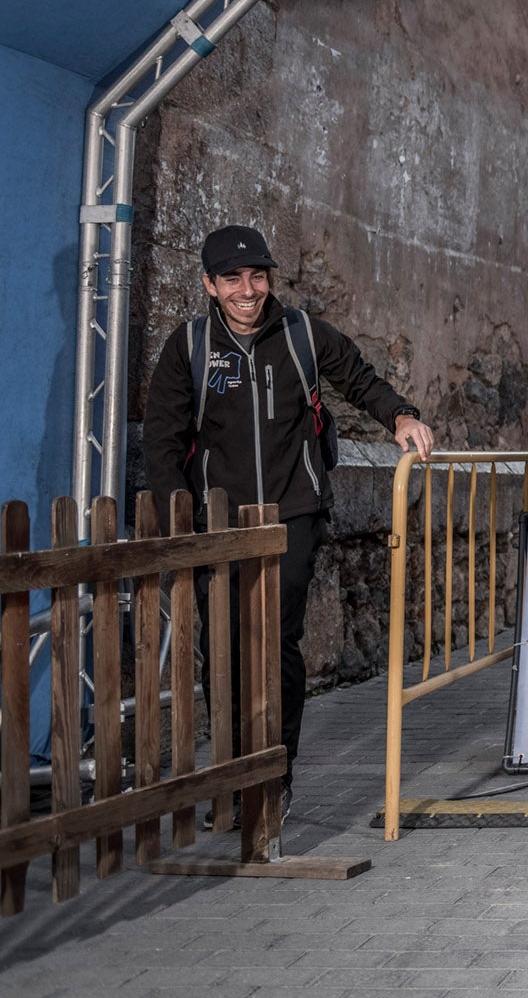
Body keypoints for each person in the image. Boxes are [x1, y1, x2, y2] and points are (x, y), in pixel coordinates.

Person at [143, 226, 434, 819]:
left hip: (293, 511)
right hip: (215, 520)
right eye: (232, 279)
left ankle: (273, 776)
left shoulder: (302, 334)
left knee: (276, 644)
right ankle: (230, 776)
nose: (247, 290)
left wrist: (400, 416)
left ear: (269, 279)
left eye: (257, 277)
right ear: (210, 284)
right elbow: (162, 440)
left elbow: (357, 376)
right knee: (222, 648)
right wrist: (178, 515)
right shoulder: (191, 346)